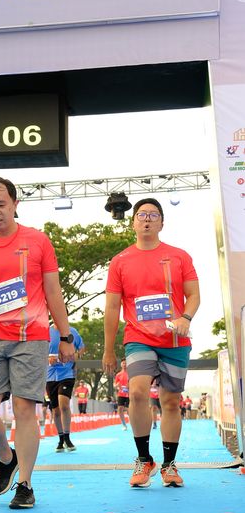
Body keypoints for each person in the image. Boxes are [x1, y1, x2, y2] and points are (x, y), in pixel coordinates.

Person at [0, 176, 74, 509]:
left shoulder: (38, 241)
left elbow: (53, 291)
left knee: (24, 409)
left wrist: (64, 336)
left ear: (15, 204)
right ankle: (8, 459)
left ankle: (25, 485)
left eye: (1, 204)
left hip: (31, 337)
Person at [103, 197, 200, 488]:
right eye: (142, 215)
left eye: (153, 215)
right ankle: (144, 460)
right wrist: (108, 350)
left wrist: (185, 317)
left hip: (175, 339)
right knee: (137, 392)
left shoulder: (179, 256)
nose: (147, 219)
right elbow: (112, 307)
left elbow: (194, 295)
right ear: (133, 222)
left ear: (162, 223)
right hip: (138, 337)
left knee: (170, 401)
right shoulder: (120, 261)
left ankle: (169, 465)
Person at [46, 324, 84, 452]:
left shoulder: (72, 331)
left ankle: (67, 438)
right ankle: (61, 439)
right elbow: (37, 353)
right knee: (56, 410)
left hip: (67, 374)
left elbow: (82, 348)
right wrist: (48, 358)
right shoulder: (46, 331)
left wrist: (76, 355)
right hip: (50, 376)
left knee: (64, 405)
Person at [114, 358, 129, 430]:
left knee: (129, 409)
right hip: (121, 394)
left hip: (129, 394)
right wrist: (116, 386)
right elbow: (115, 384)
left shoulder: (131, 373)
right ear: (121, 364)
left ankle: (133, 422)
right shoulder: (118, 375)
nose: (124, 364)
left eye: (126, 363)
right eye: (123, 363)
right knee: (120, 409)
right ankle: (123, 424)